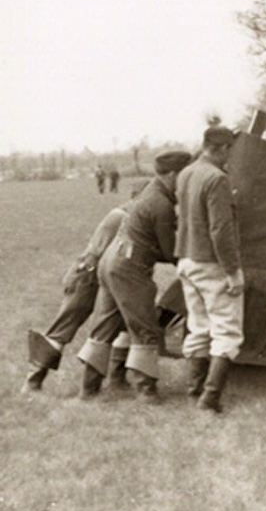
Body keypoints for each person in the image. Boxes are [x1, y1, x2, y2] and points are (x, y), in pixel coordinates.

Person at [76, 151, 192, 402]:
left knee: (104, 327)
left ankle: (89, 389)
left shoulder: (151, 193)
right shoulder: (160, 204)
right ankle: (146, 390)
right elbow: (169, 250)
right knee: (146, 328)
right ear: (172, 175)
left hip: (112, 263)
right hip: (129, 268)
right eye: (184, 176)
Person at [21, 181, 149, 393]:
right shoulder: (122, 217)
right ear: (138, 198)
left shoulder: (128, 216)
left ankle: (117, 378)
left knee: (122, 325)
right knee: (63, 329)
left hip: (103, 276)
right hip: (87, 277)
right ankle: (32, 381)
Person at [175, 125, 244, 413]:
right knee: (227, 332)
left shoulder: (186, 173)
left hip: (186, 259)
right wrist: (232, 271)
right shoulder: (216, 178)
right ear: (224, 149)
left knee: (199, 327)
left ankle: (194, 392)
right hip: (210, 262)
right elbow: (220, 230)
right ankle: (210, 399)